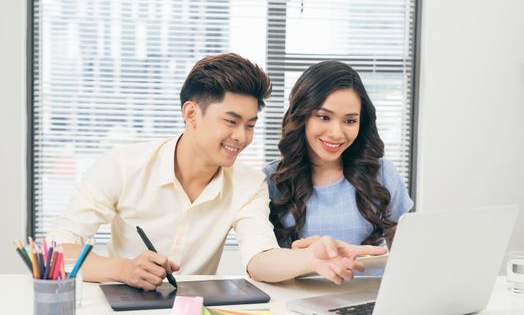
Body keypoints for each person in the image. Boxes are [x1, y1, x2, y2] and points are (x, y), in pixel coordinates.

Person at [47, 54, 385, 290]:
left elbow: (260, 259)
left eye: (250, 125)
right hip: (122, 309)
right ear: (192, 114)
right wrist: (121, 269)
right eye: (231, 121)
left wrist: (311, 261)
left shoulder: (249, 184)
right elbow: (56, 250)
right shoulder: (123, 165)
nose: (242, 137)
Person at [263, 61, 413, 266]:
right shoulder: (272, 180)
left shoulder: (382, 172)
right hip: (299, 296)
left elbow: (410, 255)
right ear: (302, 115)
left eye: (350, 121)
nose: (336, 133)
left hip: (372, 296)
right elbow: (262, 262)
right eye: (324, 117)